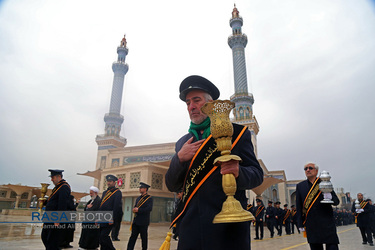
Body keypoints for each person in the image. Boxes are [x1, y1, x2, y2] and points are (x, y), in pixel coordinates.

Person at [165, 75, 263, 249]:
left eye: (196, 100)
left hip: (227, 230)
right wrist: (179, 158)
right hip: (191, 231)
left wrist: (239, 171)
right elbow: (172, 185)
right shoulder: (182, 143)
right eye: (188, 103)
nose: (192, 107)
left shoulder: (237, 133)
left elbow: (257, 175)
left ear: (211, 103)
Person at [296, 162, 340, 250]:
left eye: (310, 168)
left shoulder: (324, 182)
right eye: (306, 169)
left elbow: (336, 201)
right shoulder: (300, 186)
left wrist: (329, 196)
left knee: (332, 247)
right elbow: (299, 206)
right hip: (311, 224)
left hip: (326, 222)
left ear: (316, 171)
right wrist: (300, 223)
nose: (308, 170)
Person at [41, 169, 71, 250]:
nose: (51, 179)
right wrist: (45, 202)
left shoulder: (64, 187)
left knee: (52, 241)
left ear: (58, 177)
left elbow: (62, 204)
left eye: (53, 177)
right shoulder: (58, 187)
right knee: (45, 237)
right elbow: (54, 201)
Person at [127, 182, 153, 250]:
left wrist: (139, 210)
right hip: (136, 221)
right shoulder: (138, 198)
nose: (140, 189)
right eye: (140, 188)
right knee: (132, 237)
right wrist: (134, 209)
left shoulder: (149, 198)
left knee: (143, 238)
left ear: (145, 189)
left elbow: (149, 209)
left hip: (143, 221)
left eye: (141, 188)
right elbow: (136, 206)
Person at [99, 175, 123, 250]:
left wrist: (112, 218)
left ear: (114, 182)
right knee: (100, 237)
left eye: (110, 181)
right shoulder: (105, 192)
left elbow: (116, 207)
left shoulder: (117, 192)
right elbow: (101, 206)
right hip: (102, 217)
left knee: (104, 236)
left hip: (109, 218)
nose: (108, 183)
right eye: (108, 181)